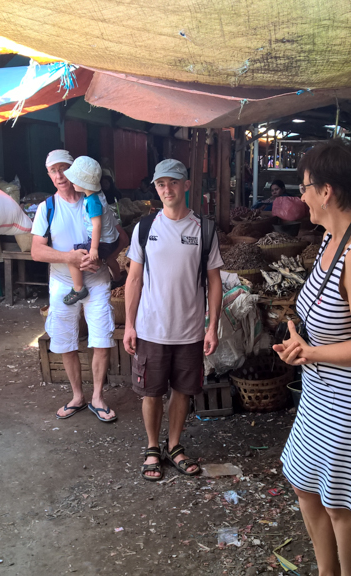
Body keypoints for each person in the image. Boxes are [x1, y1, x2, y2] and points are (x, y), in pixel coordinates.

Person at [273, 139, 351, 575]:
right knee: (304, 483)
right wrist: (300, 340)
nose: (301, 196)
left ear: (326, 191)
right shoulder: (332, 238)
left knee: (343, 507)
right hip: (322, 389)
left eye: (304, 187)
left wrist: (311, 352)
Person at [123, 159, 224, 482]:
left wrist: (211, 326)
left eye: (174, 182)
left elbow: (215, 281)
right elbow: (134, 279)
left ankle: (175, 445)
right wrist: (129, 324)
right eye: (161, 184)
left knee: (183, 391)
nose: (167, 189)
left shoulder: (203, 229)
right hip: (151, 328)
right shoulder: (145, 228)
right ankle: (153, 447)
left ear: (186, 185)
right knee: (151, 392)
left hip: (190, 329)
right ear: (156, 188)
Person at [31, 150, 124, 423]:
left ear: (73, 170)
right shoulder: (46, 208)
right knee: (64, 341)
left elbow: (121, 238)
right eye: (53, 170)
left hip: (96, 281)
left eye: (63, 168)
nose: (59, 175)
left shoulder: (94, 200)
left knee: (102, 338)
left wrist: (102, 258)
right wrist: (68, 258)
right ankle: (77, 396)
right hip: (62, 282)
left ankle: (97, 397)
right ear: (48, 174)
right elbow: (36, 251)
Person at [62, 156, 123, 305]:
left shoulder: (93, 202)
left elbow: (97, 226)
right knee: (110, 258)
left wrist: (94, 249)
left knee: (72, 257)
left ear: (84, 183)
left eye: (75, 180)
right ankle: (118, 278)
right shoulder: (98, 195)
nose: (72, 182)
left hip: (102, 243)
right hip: (111, 240)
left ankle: (78, 289)